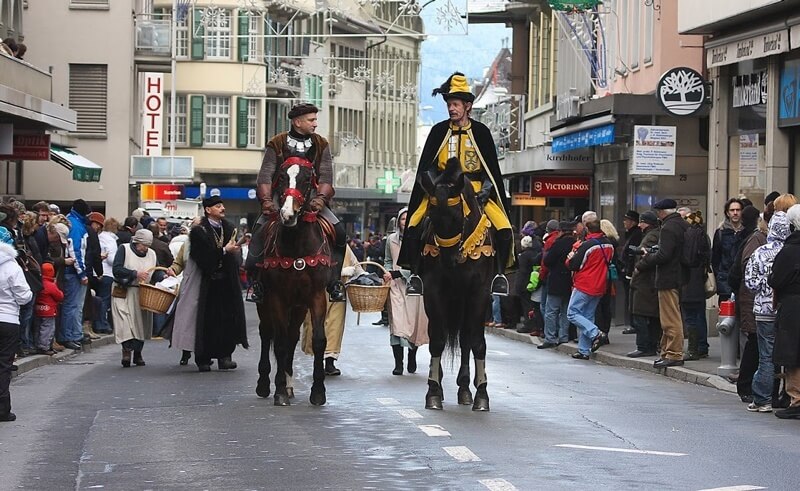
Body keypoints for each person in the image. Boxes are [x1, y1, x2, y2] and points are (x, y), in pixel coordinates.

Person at [398, 72, 514, 296]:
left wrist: (487, 190)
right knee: (413, 223)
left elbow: (491, 168)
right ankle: (415, 274)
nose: (451, 109)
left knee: (504, 227)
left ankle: (498, 276)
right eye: (450, 104)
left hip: (476, 190)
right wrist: (432, 185)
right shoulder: (439, 131)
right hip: (442, 191)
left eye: (455, 104)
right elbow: (428, 165)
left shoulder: (481, 132)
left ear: (468, 106)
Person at [251, 103, 347, 303]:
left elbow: (326, 176)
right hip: (280, 198)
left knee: (339, 230)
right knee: (259, 230)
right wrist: (267, 202)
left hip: (312, 199)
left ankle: (334, 282)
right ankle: (257, 283)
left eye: (315, 119)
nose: (315, 124)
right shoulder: (276, 143)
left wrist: (320, 199)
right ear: (297, 122)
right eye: (311, 120)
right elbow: (266, 175)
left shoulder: (321, 143)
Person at [189, 196, 248, 372]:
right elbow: (201, 258)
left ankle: (225, 356)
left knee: (227, 319)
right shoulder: (199, 231)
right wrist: (223, 251)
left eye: (222, 205)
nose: (222, 208)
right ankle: (204, 358)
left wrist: (235, 253)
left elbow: (235, 257)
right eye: (218, 206)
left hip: (226, 281)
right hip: (207, 282)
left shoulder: (229, 228)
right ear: (208, 210)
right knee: (207, 321)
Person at [744, 210, 790, 413]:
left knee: (766, 355)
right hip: (785, 309)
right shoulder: (789, 251)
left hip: (763, 310)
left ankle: (763, 398)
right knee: (787, 355)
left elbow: (750, 282)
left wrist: (764, 288)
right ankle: (786, 395)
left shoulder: (761, 252)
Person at [636, 199, 688, 368]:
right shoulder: (683, 225)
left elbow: (664, 255)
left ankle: (673, 353)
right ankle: (666, 351)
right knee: (672, 316)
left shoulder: (668, 227)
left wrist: (648, 257)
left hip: (668, 278)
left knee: (670, 319)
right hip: (681, 276)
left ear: (661, 212)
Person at [301, 244, 365, 376]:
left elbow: (356, 266)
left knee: (335, 325)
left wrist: (361, 275)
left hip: (337, 289)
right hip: (314, 288)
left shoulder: (342, 245)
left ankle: (330, 362)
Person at [383, 208, 429, 375]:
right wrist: (388, 272)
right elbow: (388, 260)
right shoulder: (390, 240)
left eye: (408, 219)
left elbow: (422, 265)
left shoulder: (420, 240)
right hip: (395, 286)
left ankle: (412, 356)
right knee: (396, 323)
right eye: (402, 219)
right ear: (398, 222)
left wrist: (400, 273)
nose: (405, 222)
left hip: (414, 286)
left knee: (413, 324)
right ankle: (398, 363)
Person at [725, 205, 763, 400]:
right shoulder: (755, 239)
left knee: (754, 342)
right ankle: (746, 385)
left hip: (749, 297)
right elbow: (743, 269)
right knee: (753, 342)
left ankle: (749, 384)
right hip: (751, 298)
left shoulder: (749, 237)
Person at [768, 204, 800, 419]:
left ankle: (796, 400)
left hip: (792, 306)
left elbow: (775, 279)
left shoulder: (790, 250)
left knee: (793, 354)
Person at [566, 220, 613, 359]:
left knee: (572, 313)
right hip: (600, 283)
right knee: (588, 315)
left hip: (585, 283)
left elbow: (574, 265)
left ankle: (596, 333)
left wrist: (569, 258)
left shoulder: (587, 245)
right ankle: (583, 350)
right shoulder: (609, 244)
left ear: (587, 229)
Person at [112, 229, 157, 367]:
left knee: (140, 324)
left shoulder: (152, 254)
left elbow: (155, 274)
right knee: (124, 322)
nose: (145, 249)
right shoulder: (124, 249)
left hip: (142, 293)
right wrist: (134, 273)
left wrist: (165, 275)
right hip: (123, 290)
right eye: (143, 245)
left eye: (147, 246)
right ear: (136, 242)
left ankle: (138, 353)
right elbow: (116, 269)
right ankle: (126, 351)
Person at [0, 240, 33, 422]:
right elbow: (23, 296)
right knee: (4, 365)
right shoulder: (12, 267)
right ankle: (2, 408)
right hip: (8, 318)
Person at [166, 217, 203, 366]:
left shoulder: (209, 242)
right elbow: (178, 263)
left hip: (205, 286)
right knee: (185, 319)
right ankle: (185, 352)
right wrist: (172, 270)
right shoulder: (186, 244)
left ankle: (203, 352)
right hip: (188, 287)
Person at [627, 211, 661, 358]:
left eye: (641, 222)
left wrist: (638, 267)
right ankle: (652, 345)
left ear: (647, 223)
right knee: (652, 316)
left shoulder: (651, 236)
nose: (639, 225)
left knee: (639, 314)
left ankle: (643, 346)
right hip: (651, 282)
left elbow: (645, 255)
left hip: (645, 282)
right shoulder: (656, 234)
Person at [680, 211, 712, 361]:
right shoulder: (703, 236)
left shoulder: (688, 237)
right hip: (699, 280)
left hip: (688, 282)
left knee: (691, 317)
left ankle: (693, 349)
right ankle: (702, 346)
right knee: (700, 315)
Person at [539, 221, 574, 349]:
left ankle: (550, 338)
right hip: (570, 281)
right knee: (565, 310)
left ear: (560, 231)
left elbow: (548, 261)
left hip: (556, 280)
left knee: (551, 311)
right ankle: (563, 336)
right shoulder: (575, 243)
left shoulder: (558, 244)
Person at [62, 199, 92, 350]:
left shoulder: (71, 222)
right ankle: (71, 335)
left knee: (72, 306)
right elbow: (76, 250)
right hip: (74, 273)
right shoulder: (77, 226)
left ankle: (73, 334)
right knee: (74, 306)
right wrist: (82, 273)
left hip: (71, 271)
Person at [712, 198, 745, 301]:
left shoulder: (747, 232)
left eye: (738, 210)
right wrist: (720, 275)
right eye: (732, 210)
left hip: (742, 283)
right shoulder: (720, 233)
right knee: (726, 315)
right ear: (727, 213)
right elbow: (715, 258)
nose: (735, 213)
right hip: (725, 283)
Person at [619, 210, 642, 333]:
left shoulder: (636, 234)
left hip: (631, 271)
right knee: (629, 298)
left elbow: (632, 254)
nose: (624, 222)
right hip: (627, 270)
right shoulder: (630, 234)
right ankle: (632, 322)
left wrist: (629, 271)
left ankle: (634, 323)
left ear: (633, 222)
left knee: (632, 298)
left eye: (626, 220)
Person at [95, 218, 119, 335]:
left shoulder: (99, 237)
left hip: (98, 272)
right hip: (108, 273)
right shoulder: (111, 241)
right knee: (105, 300)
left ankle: (97, 323)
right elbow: (111, 259)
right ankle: (102, 324)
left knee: (98, 299)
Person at [514, 235, 542, 334]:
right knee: (534, 305)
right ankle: (535, 325)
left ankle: (529, 324)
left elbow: (521, 270)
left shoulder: (523, 256)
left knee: (526, 305)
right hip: (534, 281)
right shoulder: (536, 253)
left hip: (524, 282)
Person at [33, 263, 63, 356]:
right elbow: (59, 296)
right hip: (49, 311)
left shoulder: (39, 282)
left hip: (38, 309)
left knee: (38, 328)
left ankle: (37, 345)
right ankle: (45, 346)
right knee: (48, 329)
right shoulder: (50, 285)